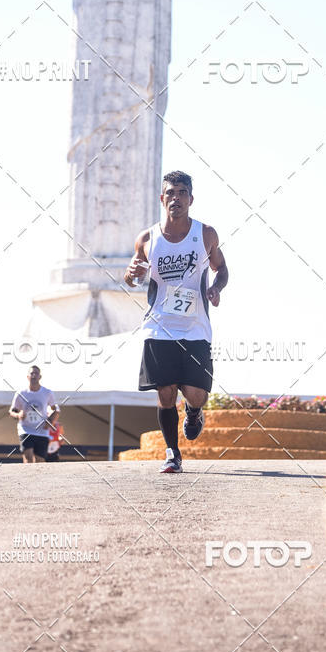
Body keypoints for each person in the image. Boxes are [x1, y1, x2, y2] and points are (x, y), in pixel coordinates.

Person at [124, 170, 228, 472]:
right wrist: (131, 275)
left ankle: (194, 412)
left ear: (191, 199)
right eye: (170, 192)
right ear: (162, 198)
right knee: (166, 392)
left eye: (182, 192)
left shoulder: (205, 234)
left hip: (195, 328)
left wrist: (215, 288)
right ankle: (173, 453)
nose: (176, 198)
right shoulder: (147, 239)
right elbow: (132, 277)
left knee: (196, 393)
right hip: (159, 326)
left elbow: (222, 270)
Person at [9, 365, 59, 463]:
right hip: (26, 430)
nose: (34, 375)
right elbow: (12, 411)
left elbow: (56, 409)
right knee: (28, 458)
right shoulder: (21, 393)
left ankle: (39, 478)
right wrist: (18, 415)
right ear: (28, 376)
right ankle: (27, 478)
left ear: (40, 377)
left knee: (40, 461)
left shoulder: (47, 392)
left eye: (36, 373)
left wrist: (50, 421)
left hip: (42, 431)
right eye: (32, 373)